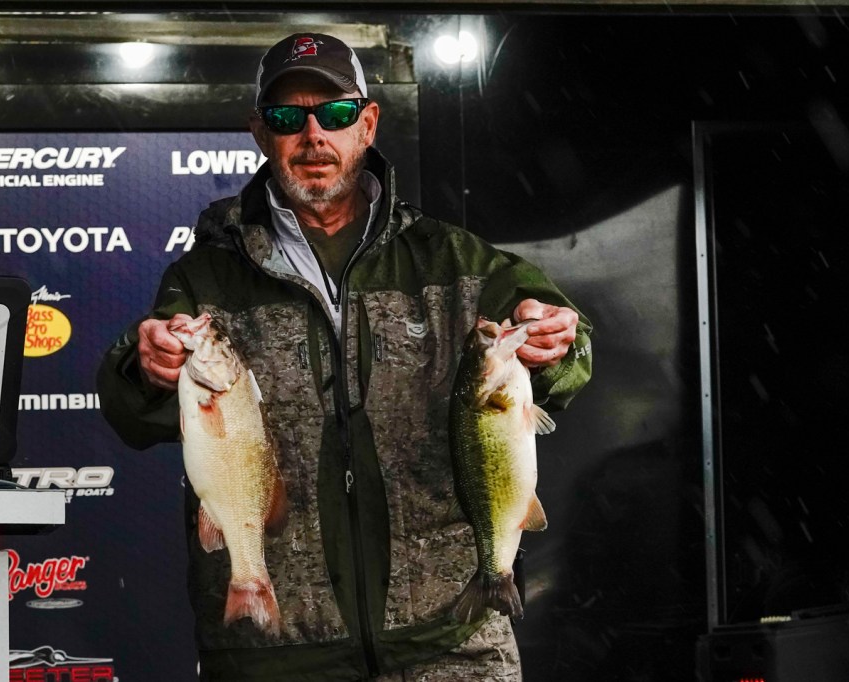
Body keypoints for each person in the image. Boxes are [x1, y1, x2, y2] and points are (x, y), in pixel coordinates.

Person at [97, 32, 592, 682]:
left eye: (334, 113)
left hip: (452, 645)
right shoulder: (205, 278)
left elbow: (564, 355)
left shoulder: (454, 261)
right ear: (259, 132)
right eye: (287, 117)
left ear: (368, 123)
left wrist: (556, 342)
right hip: (275, 655)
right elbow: (135, 412)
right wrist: (147, 368)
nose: (313, 135)